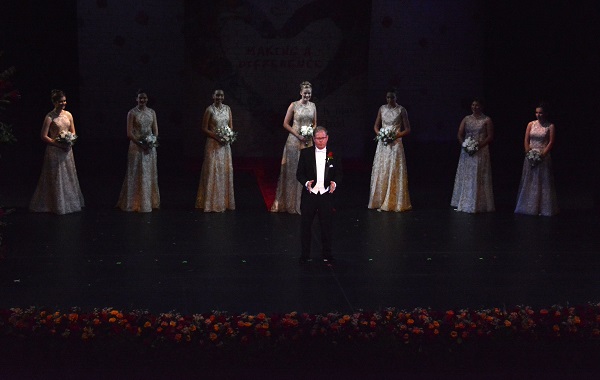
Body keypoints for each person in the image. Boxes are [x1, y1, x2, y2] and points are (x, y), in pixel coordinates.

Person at [29, 89, 84, 215]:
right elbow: (43, 136)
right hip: (54, 150)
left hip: (67, 150)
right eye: (60, 101)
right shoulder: (50, 117)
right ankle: (55, 204)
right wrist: (58, 144)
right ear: (54, 102)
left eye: (64, 101)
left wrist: (69, 141)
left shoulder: (69, 115)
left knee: (68, 176)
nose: (63, 103)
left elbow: (73, 131)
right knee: (55, 177)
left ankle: (69, 203)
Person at [296, 126, 342, 264]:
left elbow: (339, 174)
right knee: (306, 226)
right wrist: (306, 183)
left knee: (326, 226)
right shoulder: (305, 153)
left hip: (326, 195)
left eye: (323, 138)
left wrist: (334, 183)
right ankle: (305, 255)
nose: (321, 141)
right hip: (310, 195)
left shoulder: (334, 154)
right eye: (318, 138)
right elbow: (299, 174)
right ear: (313, 139)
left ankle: (327, 254)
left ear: (327, 138)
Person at [270, 81, 317, 214]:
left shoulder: (313, 106)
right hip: (294, 141)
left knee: (307, 172)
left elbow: (315, 124)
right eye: (305, 93)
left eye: (309, 93)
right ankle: (290, 203)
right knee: (292, 171)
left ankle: (304, 204)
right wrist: (298, 135)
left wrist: (309, 132)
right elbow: (285, 123)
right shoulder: (294, 105)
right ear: (300, 92)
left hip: (307, 141)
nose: (307, 95)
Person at [368, 89, 412, 212]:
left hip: (395, 144)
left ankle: (393, 201)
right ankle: (379, 200)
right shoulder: (382, 109)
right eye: (387, 97)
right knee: (383, 169)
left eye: (392, 97)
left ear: (396, 97)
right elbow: (376, 126)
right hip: (383, 144)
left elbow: (407, 129)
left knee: (394, 169)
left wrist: (395, 136)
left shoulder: (401, 110)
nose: (389, 100)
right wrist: (381, 134)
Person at [116, 89, 160, 212]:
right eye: (140, 98)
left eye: (144, 98)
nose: (142, 100)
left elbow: (155, 130)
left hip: (150, 148)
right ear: (136, 99)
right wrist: (141, 143)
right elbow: (129, 133)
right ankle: (135, 202)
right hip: (136, 146)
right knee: (136, 172)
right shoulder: (132, 113)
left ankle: (149, 201)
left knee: (148, 173)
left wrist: (152, 141)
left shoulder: (152, 112)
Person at [450, 98, 495, 213]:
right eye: (473, 105)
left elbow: (490, 136)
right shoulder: (466, 119)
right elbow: (460, 134)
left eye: (477, 105)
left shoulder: (487, 120)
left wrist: (478, 146)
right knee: (467, 175)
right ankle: (464, 200)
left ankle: (479, 202)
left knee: (479, 174)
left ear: (482, 107)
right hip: (467, 151)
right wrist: (465, 145)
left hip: (481, 150)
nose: (475, 107)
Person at [514, 103, 558, 216]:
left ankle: (541, 207)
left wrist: (542, 154)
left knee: (542, 181)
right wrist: (528, 152)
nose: (538, 115)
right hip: (531, 154)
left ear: (545, 113)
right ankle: (527, 206)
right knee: (529, 179)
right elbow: (526, 139)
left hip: (543, 155)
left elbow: (551, 142)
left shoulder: (550, 126)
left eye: (541, 112)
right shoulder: (531, 124)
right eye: (537, 112)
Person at [195, 89, 235, 212]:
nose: (219, 97)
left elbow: (231, 126)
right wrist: (217, 137)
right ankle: (210, 202)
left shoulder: (228, 109)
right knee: (213, 170)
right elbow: (204, 128)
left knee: (223, 171)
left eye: (221, 95)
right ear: (213, 96)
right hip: (213, 143)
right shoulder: (209, 110)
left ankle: (224, 202)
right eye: (217, 95)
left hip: (224, 145)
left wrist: (228, 136)